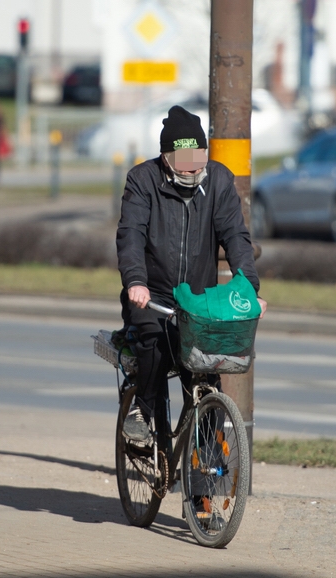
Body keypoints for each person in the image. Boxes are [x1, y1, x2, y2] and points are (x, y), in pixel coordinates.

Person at [116, 105, 267, 442]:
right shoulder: (143, 180)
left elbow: (236, 237)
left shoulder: (219, 181)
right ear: (166, 156)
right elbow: (131, 236)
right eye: (183, 159)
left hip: (200, 300)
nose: (192, 167)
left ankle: (203, 480)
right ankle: (143, 409)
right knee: (155, 344)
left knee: (206, 372)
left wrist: (249, 290)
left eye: (198, 157)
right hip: (152, 295)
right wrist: (136, 282)